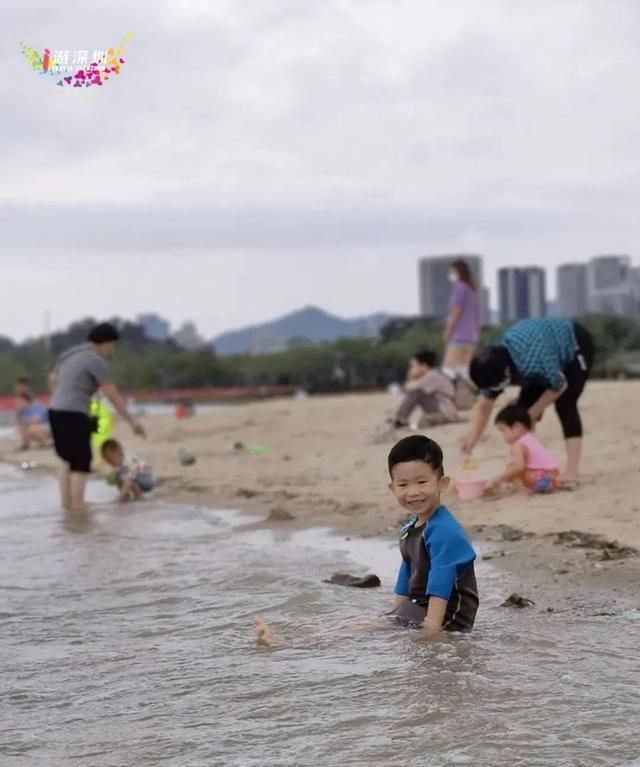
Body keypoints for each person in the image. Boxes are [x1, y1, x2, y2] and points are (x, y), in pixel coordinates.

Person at [461, 318, 594, 490]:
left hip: (575, 344)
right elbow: (485, 403)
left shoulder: (533, 360)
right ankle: (530, 466)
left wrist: (531, 414)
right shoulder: (492, 361)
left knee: (565, 403)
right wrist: (473, 438)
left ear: (507, 373)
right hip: (541, 354)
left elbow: (560, 385)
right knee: (521, 411)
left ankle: (572, 472)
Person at [48, 322, 146, 512]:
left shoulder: (69, 355)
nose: (112, 350)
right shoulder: (96, 360)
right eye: (112, 345)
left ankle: (66, 506)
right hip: (74, 413)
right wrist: (133, 422)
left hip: (55, 410)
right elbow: (113, 395)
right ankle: (78, 507)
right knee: (81, 460)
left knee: (67, 459)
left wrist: (61, 396)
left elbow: (52, 378)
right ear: (106, 343)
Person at [387, 435, 479, 634]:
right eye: (403, 485)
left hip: (450, 616)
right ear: (392, 488)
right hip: (421, 608)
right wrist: (393, 614)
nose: (413, 492)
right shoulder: (410, 528)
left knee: (376, 630)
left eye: (421, 482)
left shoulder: (444, 531)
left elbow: (442, 580)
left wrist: (431, 628)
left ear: (442, 483)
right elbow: (405, 576)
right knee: (368, 626)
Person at [486, 404, 560, 494]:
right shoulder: (531, 438)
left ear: (517, 427)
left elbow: (518, 467)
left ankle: (523, 491)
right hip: (554, 479)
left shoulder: (518, 445)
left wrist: (499, 478)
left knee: (512, 467)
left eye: (503, 430)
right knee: (517, 468)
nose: (503, 435)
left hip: (540, 480)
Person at [392, 350, 459, 429]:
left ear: (424, 366)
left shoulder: (431, 376)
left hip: (446, 413)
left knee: (416, 392)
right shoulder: (433, 374)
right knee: (417, 391)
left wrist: (411, 376)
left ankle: (400, 419)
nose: (411, 369)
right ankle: (400, 419)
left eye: (413, 366)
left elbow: (408, 388)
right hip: (445, 411)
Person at [442, 259, 480, 382]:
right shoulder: (472, 290)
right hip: (471, 337)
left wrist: (448, 331)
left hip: (458, 335)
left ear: (458, 272)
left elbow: (456, 312)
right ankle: (465, 398)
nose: (450, 274)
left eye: (452, 271)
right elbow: (477, 314)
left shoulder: (459, 288)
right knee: (463, 370)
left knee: (448, 368)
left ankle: (448, 397)